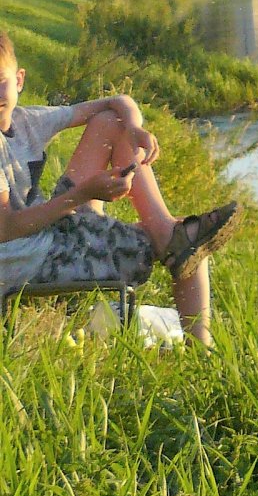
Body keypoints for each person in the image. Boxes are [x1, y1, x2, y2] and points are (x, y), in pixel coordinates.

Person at [0, 29, 235, 348]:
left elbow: (117, 102)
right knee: (189, 240)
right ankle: (201, 351)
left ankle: (164, 231)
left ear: (19, 80)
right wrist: (82, 195)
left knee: (111, 122)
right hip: (22, 260)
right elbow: (7, 228)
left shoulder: (27, 121)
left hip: (47, 230)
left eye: (1, 80)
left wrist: (136, 128)